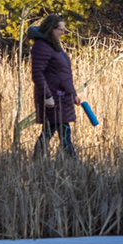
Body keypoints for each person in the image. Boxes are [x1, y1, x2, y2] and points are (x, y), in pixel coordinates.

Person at [28, 13, 79, 158]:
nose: (63, 32)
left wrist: (74, 94)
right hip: (53, 98)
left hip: (62, 97)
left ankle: (37, 160)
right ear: (51, 29)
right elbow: (37, 74)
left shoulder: (54, 46)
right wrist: (47, 96)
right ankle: (73, 161)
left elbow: (64, 74)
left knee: (50, 131)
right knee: (61, 131)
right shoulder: (41, 46)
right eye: (61, 29)